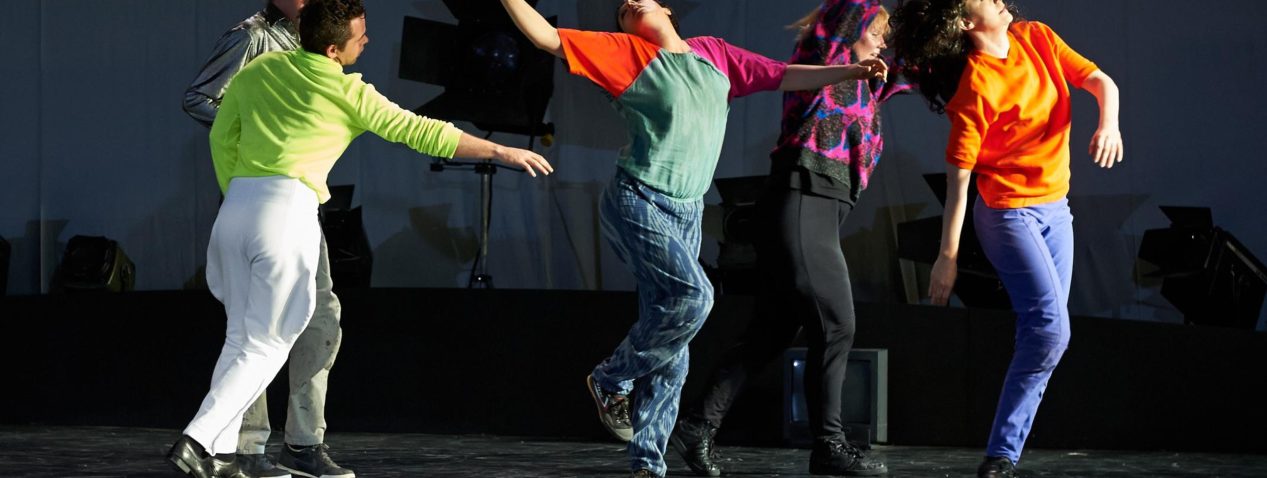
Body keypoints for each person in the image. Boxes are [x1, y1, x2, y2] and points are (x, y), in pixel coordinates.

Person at [499, 1, 887, 477]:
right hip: (637, 198)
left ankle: (648, 463)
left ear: (666, 9)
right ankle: (610, 378)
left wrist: (851, 69)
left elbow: (783, 75)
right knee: (695, 296)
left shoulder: (715, 55)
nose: (628, 5)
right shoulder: (626, 53)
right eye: (621, 10)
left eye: (636, 0)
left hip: (688, 212)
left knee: (675, 351)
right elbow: (544, 37)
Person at [166, 1, 553, 477]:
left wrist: (239, 192)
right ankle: (196, 440)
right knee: (270, 343)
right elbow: (422, 132)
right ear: (333, 48)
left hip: (236, 210)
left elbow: (223, 136)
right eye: (359, 36)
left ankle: (222, 454)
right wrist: (498, 149)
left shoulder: (259, 69)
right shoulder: (346, 91)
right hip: (285, 213)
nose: (366, 41)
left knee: (242, 337)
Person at [670, 1, 910, 476]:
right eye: (877, 31)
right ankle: (828, 446)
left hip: (815, 210)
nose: (884, 41)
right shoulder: (823, 63)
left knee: (771, 330)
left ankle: (695, 426)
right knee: (836, 323)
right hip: (802, 199)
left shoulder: (868, 84)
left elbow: (920, 66)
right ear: (851, 29)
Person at [889, 1, 1123, 477]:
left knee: (1045, 338)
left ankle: (1002, 454)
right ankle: (1001, 454)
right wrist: (946, 258)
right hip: (1006, 215)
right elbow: (958, 184)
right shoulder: (976, 86)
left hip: (1057, 210)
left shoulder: (1037, 37)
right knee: (1051, 331)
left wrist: (1108, 122)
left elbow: (1102, 82)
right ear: (963, 21)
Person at [182, 2, 351, 476]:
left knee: (320, 318)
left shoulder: (320, 31)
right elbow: (199, 97)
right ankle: (247, 447)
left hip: (300, 201)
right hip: (256, 194)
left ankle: (303, 441)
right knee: (255, 328)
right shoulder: (252, 36)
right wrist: (250, 134)